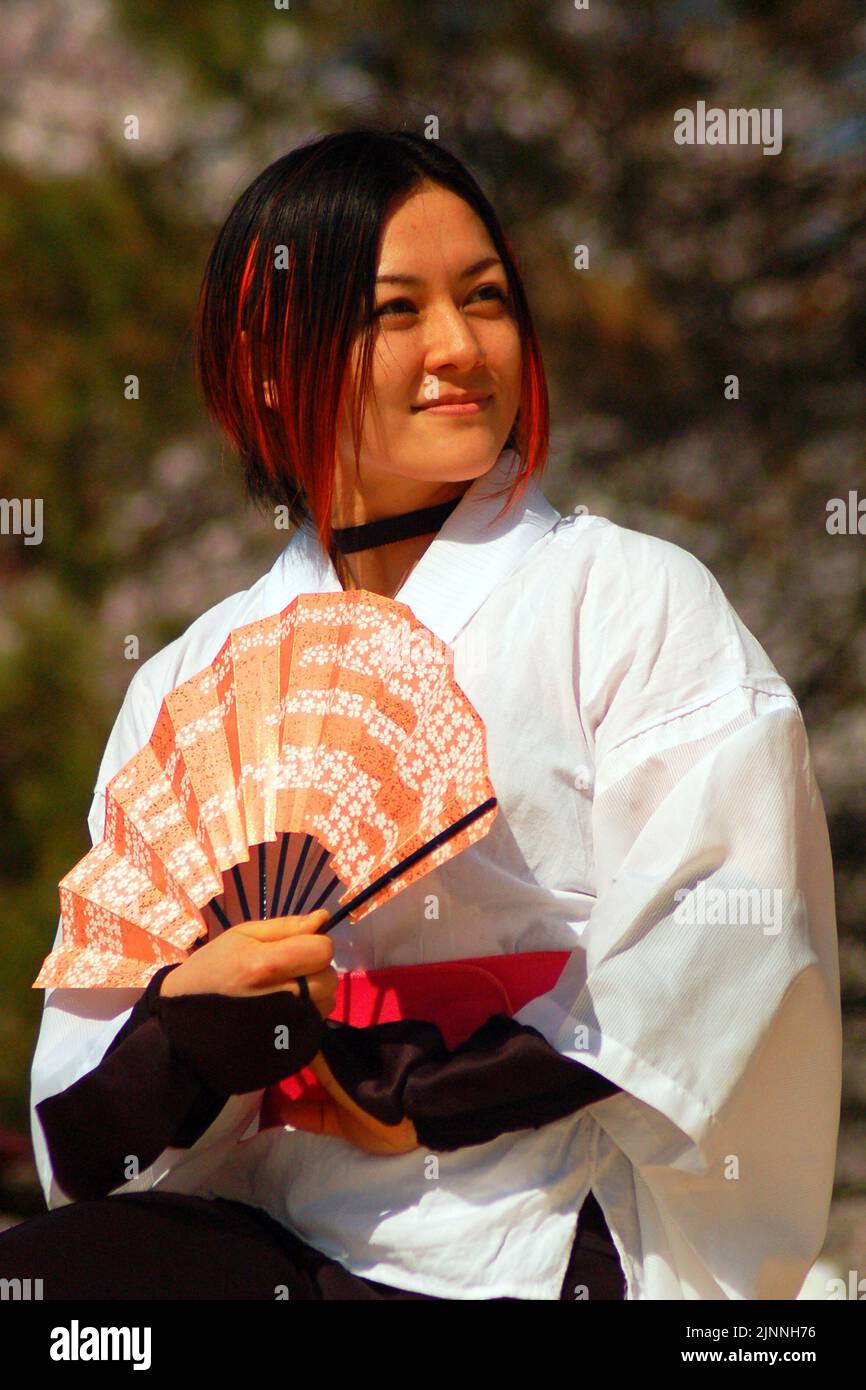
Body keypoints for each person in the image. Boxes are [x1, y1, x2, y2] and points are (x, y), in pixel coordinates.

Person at [2, 128, 841, 1301]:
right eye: (394, 311)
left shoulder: (624, 595)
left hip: (546, 1223)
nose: (458, 347)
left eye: (486, 297)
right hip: (283, 1231)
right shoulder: (185, 677)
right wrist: (193, 1033)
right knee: (43, 1292)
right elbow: (88, 1146)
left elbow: (722, 950)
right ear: (264, 365)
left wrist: (407, 1083)